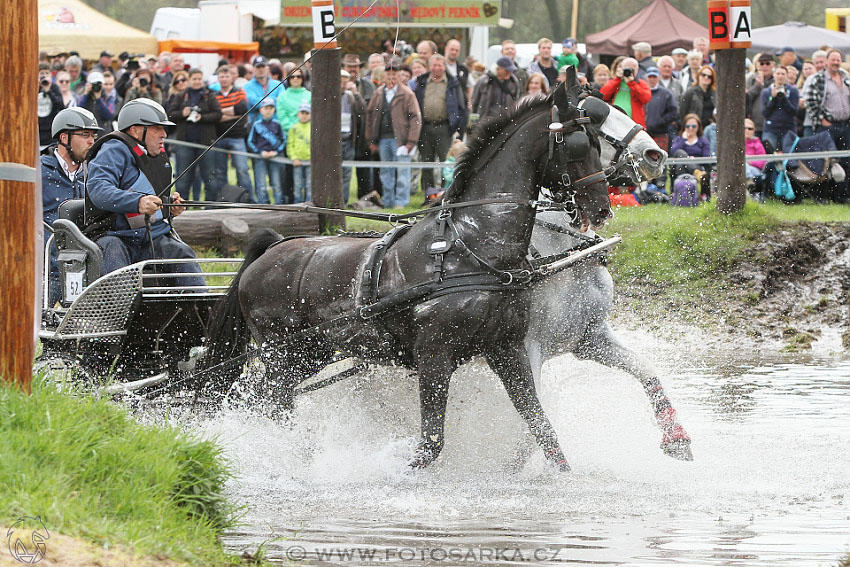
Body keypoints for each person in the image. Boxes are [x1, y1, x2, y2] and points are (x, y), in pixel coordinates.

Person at [84, 99, 203, 287]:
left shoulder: (158, 157)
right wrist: (138, 202)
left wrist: (169, 205)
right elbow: (99, 189)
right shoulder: (113, 150)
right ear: (135, 130)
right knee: (115, 257)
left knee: (182, 253)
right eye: (157, 128)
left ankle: (201, 310)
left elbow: (149, 199)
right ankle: (119, 313)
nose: (164, 134)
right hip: (113, 237)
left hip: (150, 237)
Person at [42, 108, 101, 306]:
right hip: (47, 270)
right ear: (64, 137)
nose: (91, 141)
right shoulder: (39, 171)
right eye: (85, 135)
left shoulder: (96, 174)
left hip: (88, 267)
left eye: (93, 135)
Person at [365, 60, 422, 209]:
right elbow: (370, 116)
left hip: (401, 140)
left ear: (398, 76)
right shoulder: (378, 93)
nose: (391, 77)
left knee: (403, 171)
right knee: (386, 172)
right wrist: (370, 139)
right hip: (383, 139)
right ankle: (388, 200)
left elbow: (416, 118)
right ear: (384, 76)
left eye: (394, 74)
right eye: (388, 74)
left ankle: (401, 202)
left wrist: (411, 142)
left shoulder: (407, 94)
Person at [412, 54, 468, 193]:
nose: (437, 68)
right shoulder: (422, 82)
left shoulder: (453, 83)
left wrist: (459, 130)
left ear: (444, 67)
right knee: (426, 163)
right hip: (425, 128)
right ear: (429, 66)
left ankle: (445, 193)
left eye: (440, 65)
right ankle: (428, 194)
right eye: (434, 65)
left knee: (446, 163)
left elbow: (462, 108)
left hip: (445, 128)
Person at [167, 68, 222, 202]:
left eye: (199, 79)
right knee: (183, 178)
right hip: (185, 143)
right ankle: (180, 207)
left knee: (209, 177)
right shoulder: (181, 96)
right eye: (194, 79)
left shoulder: (210, 95)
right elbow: (170, 115)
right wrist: (183, 114)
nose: (197, 82)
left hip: (205, 143)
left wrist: (201, 117)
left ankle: (209, 206)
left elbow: (218, 114)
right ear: (189, 80)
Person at [805, 49, 850, 203]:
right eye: (833, 60)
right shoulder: (818, 78)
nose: (836, 62)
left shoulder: (846, 78)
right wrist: (822, 119)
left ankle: (843, 196)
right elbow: (810, 102)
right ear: (827, 61)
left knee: (846, 161)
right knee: (824, 163)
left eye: (838, 60)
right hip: (827, 127)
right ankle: (822, 197)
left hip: (845, 125)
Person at [211, 65, 253, 195]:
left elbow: (242, 109)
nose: (224, 79)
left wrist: (221, 113)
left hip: (237, 137)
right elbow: (214, 116)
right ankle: (224, 199)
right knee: (220, 171)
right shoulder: (214, 96)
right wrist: (233, 113)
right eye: (221, 76)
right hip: (219, 137)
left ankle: (247, 199)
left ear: (232, 78)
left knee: (242, 170)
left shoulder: (239, 92)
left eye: (227, 76)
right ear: (218, 78)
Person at [247, 98, 286, 204]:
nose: (268, 110)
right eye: (266, 108)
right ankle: (262, 206)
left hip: (275, 157)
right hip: (261, 157)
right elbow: (250, 141)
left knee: (276, 183)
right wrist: (260, 152)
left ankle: (279, 206)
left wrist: (276, 152)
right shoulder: (256, 125)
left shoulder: (277, 124)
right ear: (261, 110)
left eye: (271, 108)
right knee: (261, 184)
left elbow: (283, 140)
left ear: (274, 110)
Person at [600, 57, 651, 127]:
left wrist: (632, 83)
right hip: (614, 121)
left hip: (633, 122)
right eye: (627, 69)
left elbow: (646, 98)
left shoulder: (641, 83)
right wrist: (617, 79)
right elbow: (603, 95)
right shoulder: (615, 82)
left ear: (637, 70)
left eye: (632, 69)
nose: (630, 72)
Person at [340, 69, 366, 203]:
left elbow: (362, 110)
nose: (343, 85)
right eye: (341, 82)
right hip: (334, 142)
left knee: (347, 174)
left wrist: (356, 94)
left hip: (348, 140)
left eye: (345, 82)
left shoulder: (350, 96)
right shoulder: (330, 96)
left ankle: (344, 201)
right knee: (334, 173)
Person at [670, 113, 711, 195]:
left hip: (698, 165)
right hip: (680, 168)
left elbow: (706, 158)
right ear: (684, 127)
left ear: (698, 127)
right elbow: (673, 152)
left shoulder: (703, 141)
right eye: (688, 126)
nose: (691, 128)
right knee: (680, 153)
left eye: (694, 126)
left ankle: (685, 196)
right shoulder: (679, 139)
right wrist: (683, 139)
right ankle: (696, 173)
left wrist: (694, 160)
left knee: (682, 165)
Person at [761, 65, 800, 151]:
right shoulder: (766, 92)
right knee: (769, 156)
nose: (780, 76)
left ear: (786, 76)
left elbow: (794, 111)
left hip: (788, 128)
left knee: (790, 157)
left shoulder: (793, 91)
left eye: (783, 74)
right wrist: (773, 98)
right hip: (771, 129)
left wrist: (784, 98)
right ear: (774, 75)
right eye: (778, 73)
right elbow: (765, 113)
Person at [471, 56, 521, 122]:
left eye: (511, 70)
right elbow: (474, 102)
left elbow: (516, 102)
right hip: (485, 122)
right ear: (498, 68)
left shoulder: (514, 82)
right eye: (506, 70)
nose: (509, 72)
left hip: (505, 123)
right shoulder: (484, 81)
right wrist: (474, 123)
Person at [644, 66, 679, 153]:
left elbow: (674, 112)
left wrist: (661, 121)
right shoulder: (642, 92)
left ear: (658, 77)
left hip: (660, 133)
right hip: (643, 134)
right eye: (650, 77)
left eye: (654, 77)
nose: (652, 79)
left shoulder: (666, 93)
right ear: (646, 77)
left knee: (660, 159)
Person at [243, 56, 284, 124]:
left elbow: (281, 103)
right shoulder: (247, 86)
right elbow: (253, 103)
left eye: (263, 67)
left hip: (275, 124)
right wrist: (274, 99)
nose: (261, 69)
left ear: (268, 68)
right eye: (258, 67)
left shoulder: (278, 85)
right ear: (253, 69)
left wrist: (259, 101)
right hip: (255, 125)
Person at [746, 53, 775, 140]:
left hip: (772, 124)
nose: (764, 66)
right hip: (755, 124)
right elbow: (747, 98)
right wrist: (757, 85)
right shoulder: (751, 78)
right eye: (761, 63)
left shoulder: (777, 78)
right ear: (757, 65)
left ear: (773, 64)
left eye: (767, 63)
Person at [287, 103, 312, 203]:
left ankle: (309, 205)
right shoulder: (293, 128)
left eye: (307, 113)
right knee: (297, 185)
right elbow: (290, 145)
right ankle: (297, 205)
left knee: (309, 185)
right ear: (298, 114)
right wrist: (294, 158)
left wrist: (313, 159)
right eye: (302, 113)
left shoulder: (314, 128)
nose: (304, 115)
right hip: (297, 161)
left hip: (310, 162)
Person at [38, 62, 65, 146]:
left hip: (50, 131)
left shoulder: (54, 87)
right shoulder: (33, 87)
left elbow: (61, 105)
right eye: (42, 73)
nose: (45, 75)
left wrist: (48, 91)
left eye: (47, 73)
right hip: (37, 130)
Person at [744, 118, 767, 201]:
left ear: (753, 131)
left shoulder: (758, 144)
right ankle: (749, 180)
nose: (747, 130)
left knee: (743, 163)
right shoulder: (735, 144)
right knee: (742, 163)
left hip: (755, 170)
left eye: (750, 128)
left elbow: (762, 162)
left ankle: (749, 179)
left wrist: (750, 162)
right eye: (744, 128)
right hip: (739, 170)